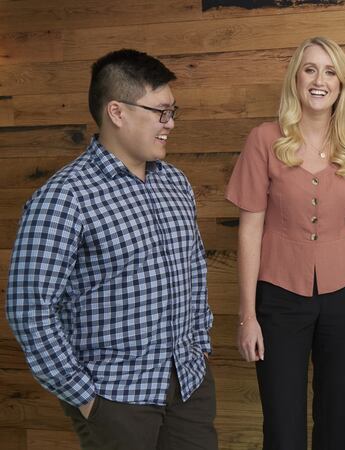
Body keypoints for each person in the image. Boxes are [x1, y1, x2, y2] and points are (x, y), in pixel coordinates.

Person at [5, 49, 216, 450]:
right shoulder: (65, 197)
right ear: (117, 112)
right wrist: (84, 397)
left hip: (187, 386)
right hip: (115, 398)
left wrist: (199, 346)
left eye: (173, 112)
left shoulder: (176, 183)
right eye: (160, 112)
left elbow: (195, 270)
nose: (169, 124)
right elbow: (29, 309)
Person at [225, 36, 345, 450]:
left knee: (340, 419)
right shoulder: (263, 140)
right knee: (282, 422)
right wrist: (248, 316)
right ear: (296, 78)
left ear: (342, 84)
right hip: (277, 297)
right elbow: (249, 231)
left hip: (344, 298)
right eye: (311, 69)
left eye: (330, 71)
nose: (320, 80)